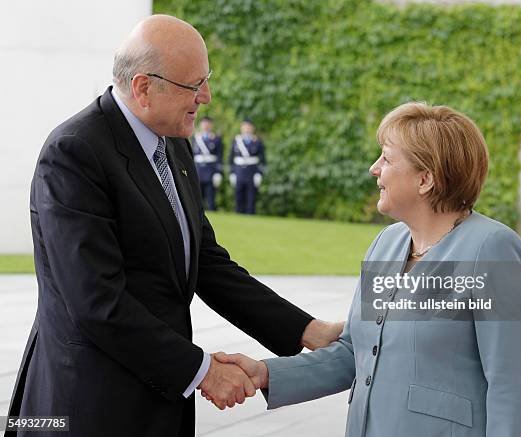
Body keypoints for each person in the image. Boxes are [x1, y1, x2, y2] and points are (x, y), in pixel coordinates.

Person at [5, 15, 343, 437]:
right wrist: (203, 372)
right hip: (89, 405)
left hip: (159, 400)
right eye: (194, 84)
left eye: (207, 80)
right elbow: (97, 302)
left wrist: (308, 331)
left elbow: (206, 263)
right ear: (144, 87)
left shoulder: (172, 144)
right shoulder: (74, 153)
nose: (207, 96)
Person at [215, 102, 521, 437]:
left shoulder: (495, 249)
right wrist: (264, 373)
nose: (374, 169)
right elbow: (354, 353)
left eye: (386, 158)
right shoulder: (386, 243)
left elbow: (511, 386)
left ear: (425, 178)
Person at [229, 119, 265, 214]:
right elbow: (231, 158)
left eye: (249, 127)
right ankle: (238, 214)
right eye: (245, 127)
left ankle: (250, 214)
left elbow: (262, 160)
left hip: (251, 171)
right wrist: (232, 172)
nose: (247, 129)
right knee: (239, 196)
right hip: (239, 171)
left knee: (251, 196)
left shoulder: (257, 142)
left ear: (253, 128)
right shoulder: (236, 141)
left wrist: (259, 173)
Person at [192, 116, 224, 210]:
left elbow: (219, 157)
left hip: (211, 170)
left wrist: (218, 172)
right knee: (197, 196)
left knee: (211, 197)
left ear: (211, 125)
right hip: (198, 169)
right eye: (204, 123)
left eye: (208, 123)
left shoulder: (216, 139)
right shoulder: (196, 138)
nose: (206, 126)